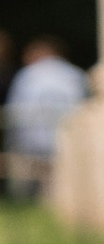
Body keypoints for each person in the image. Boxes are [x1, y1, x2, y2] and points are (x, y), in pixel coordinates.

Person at [5, 35, 88, 199]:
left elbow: (16, 110)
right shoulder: (75, 74)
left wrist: (14, 140)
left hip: (31, 139)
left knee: (28, 187)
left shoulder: (29, 75)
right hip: (65, 138)